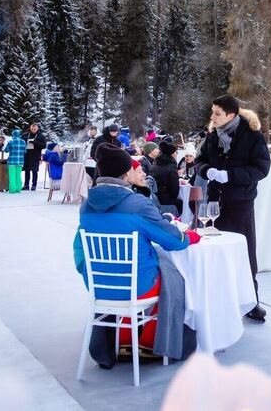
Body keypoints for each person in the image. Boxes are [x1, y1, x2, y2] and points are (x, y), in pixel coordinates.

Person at [74, 146, 200, 363]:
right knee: (173, 277)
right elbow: (172, 242)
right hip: (137, 286)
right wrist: (189, 237)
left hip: (98, 286)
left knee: (151, 272)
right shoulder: (136, 204)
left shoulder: (86, 207)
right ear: (125, 173)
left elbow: (79, 248)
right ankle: (153, 343)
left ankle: (119, 340)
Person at [193, 95, 271, 323]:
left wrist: (231, 176)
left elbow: (261, 168)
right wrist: (207, 171)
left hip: (241, 202)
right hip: (214, 201)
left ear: (231, 115)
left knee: (245, 252)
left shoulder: (252, 136)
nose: (212, 117)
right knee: (215, 251)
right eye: (212, 112)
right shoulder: (212, 136)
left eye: (217, 113)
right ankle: (218, 300)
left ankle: (251, 301)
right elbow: (198, 161)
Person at [149, 141, 182, 216]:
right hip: (164, 199)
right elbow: (174, 190)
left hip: (155, 197)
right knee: (182, 203)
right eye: (175, 152)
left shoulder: (155, 164)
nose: (177, 154)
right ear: (172, 154)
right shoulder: (171, 167)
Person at [22, 123, 47, 191]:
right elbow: (21, 142)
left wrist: (35, 143)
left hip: (35, 155)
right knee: (26, 170)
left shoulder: (41, 136)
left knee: (34, 171)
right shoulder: (25, 135)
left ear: (37, 129)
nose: (33, 130)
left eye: (35, 129)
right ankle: (26, 185)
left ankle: (34, 185)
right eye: (32, 129)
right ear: (30, 128)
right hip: (26, 155)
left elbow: (44, 146)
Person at [3, 129, 26, 193]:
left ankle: (12, 190)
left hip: (12, 161)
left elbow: (6, 150)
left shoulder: (11, 142)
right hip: (20, 161)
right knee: (18, 175)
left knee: (12, 176)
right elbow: (25, 151)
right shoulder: (23, 142)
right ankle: (18, 189)